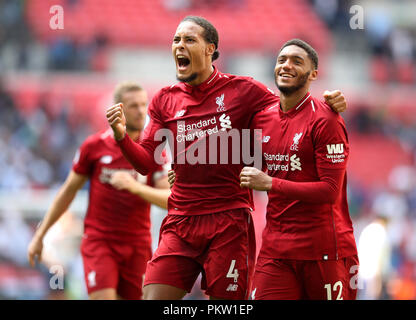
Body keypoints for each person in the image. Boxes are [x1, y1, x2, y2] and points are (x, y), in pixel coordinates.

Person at [106, 16, 348, 300]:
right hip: (181, 220)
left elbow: (291, 108)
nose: (179, 46)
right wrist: (122, 136)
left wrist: (326, 105)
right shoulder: (164, 99)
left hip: (229, 223)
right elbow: (146, 162)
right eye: (176, 40)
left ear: (210, 49)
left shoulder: (244, 91)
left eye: (189, 40)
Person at [27, 82, 171, 300]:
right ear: (118, 109)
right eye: (133, 106)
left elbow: (170, 199)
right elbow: (68, 192)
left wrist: (137, 188)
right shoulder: (94, 147)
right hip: (100, 242)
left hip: (137, 246)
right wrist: (40, 235)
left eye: (144, 105)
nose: (141, 111)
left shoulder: (154, 151)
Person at [239, 39, 359, 300]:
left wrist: (270, 183)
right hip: (276, 250)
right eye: (282, 60)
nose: (286, 65)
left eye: (297, 61)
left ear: (313, 74)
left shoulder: (326, 120)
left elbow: (329, 191)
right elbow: (237, 158)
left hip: (325, 250)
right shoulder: (262, 117)